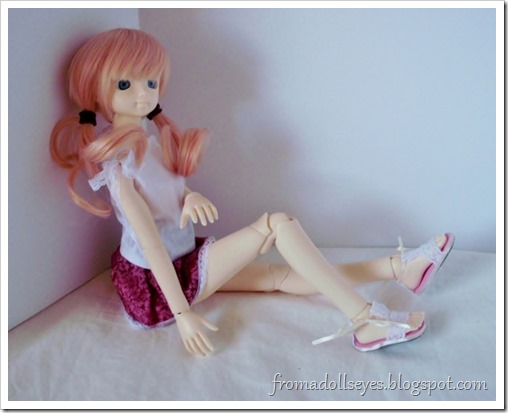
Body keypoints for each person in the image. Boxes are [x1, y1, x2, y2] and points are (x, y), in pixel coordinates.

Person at [50, 28, 454, 357]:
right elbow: (149, 243)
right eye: (125, 84)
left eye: (150, 81)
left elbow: (165, 190)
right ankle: (366, 320)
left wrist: (188, 196)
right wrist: (183, 314)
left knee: (278, 277)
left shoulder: (150, 141)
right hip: (158, 286)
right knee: (277, 225)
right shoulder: (117, 164)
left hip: (182, 259)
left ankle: (399, 269)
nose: (143, 93)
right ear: (97, 90)